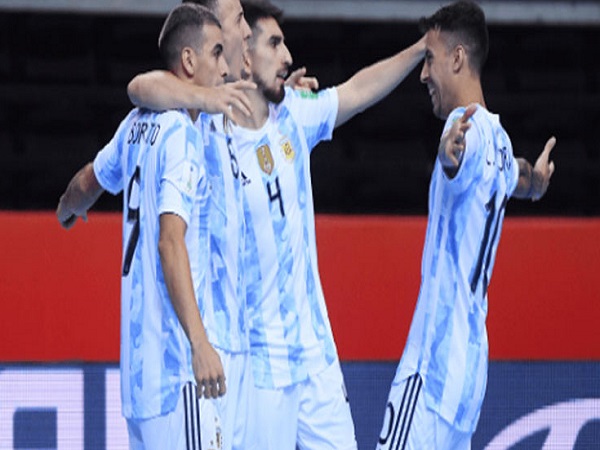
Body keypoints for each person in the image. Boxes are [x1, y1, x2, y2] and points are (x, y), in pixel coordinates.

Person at [228, 1, 426, 448]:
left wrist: (419, 49)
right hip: (260, 365)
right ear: (244, 56)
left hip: (315, 354)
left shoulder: (294, 114)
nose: (287, 56)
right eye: (274, 44)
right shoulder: (214, 141)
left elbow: (357, 90)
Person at [376, 2, 556, 449]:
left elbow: (456, 156)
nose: (423, 75)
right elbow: (519, 178)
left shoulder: (464, 127)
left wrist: (447, 157)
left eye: (430, 59)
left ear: (457, 58)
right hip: (469, 376)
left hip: (432, 370)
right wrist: (536, 184)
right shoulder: (501, 141)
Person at [56, 4, 231, 449]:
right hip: (178, 375)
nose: (225, 68)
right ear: (189, 60)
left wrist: (67, 208)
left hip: (138, 383)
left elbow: (87, 182)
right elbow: (170, 243)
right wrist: (199, 343)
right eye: (216, 53)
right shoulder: (183, 137)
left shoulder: (135, 125)